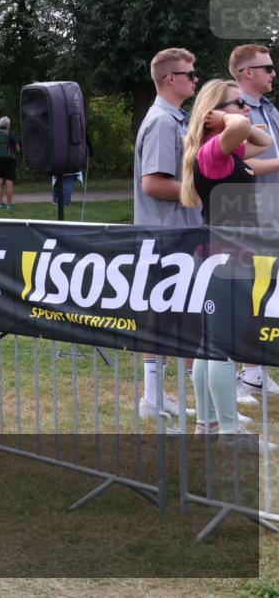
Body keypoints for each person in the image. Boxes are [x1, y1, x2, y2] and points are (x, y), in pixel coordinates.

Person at [179, 78, 277, 439]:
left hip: (225, 253)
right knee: (222, 345)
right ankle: (230, 431)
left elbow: (265, 143)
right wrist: (227, 119)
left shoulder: (224, 151)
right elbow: (241, 128)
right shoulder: (213, 152)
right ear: (213, 114)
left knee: (211, 345)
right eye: (240, 103)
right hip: (227, 256)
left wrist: (237, 121)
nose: (247, 109)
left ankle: (208, 423)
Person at [133, 48, 202, 422]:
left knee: (186, 315)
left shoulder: (178, 118)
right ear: (169, 79)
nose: (195, 79)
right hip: (166, 235)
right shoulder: (162, 121)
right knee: (160, 314)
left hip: (181, 232)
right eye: (190, 74)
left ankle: (176, 396)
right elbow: (153, 184)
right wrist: (201, 189)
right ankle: (152, 397)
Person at [229, 44, 279, 399]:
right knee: (245, 290)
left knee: (266, 290)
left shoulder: (270, 110)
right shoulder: (232, 112)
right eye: (268, 68)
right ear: (248, 72)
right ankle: (240, 373)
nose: (273, 73)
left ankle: (256, 370)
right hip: (245, 212)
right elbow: (237, 165)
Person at [0, 116, 19, 211]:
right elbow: (17, 148)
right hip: (9, 161)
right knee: (9, 183)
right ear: (7, 125)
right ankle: (9, 206)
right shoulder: (10, 134)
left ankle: (0, 204)